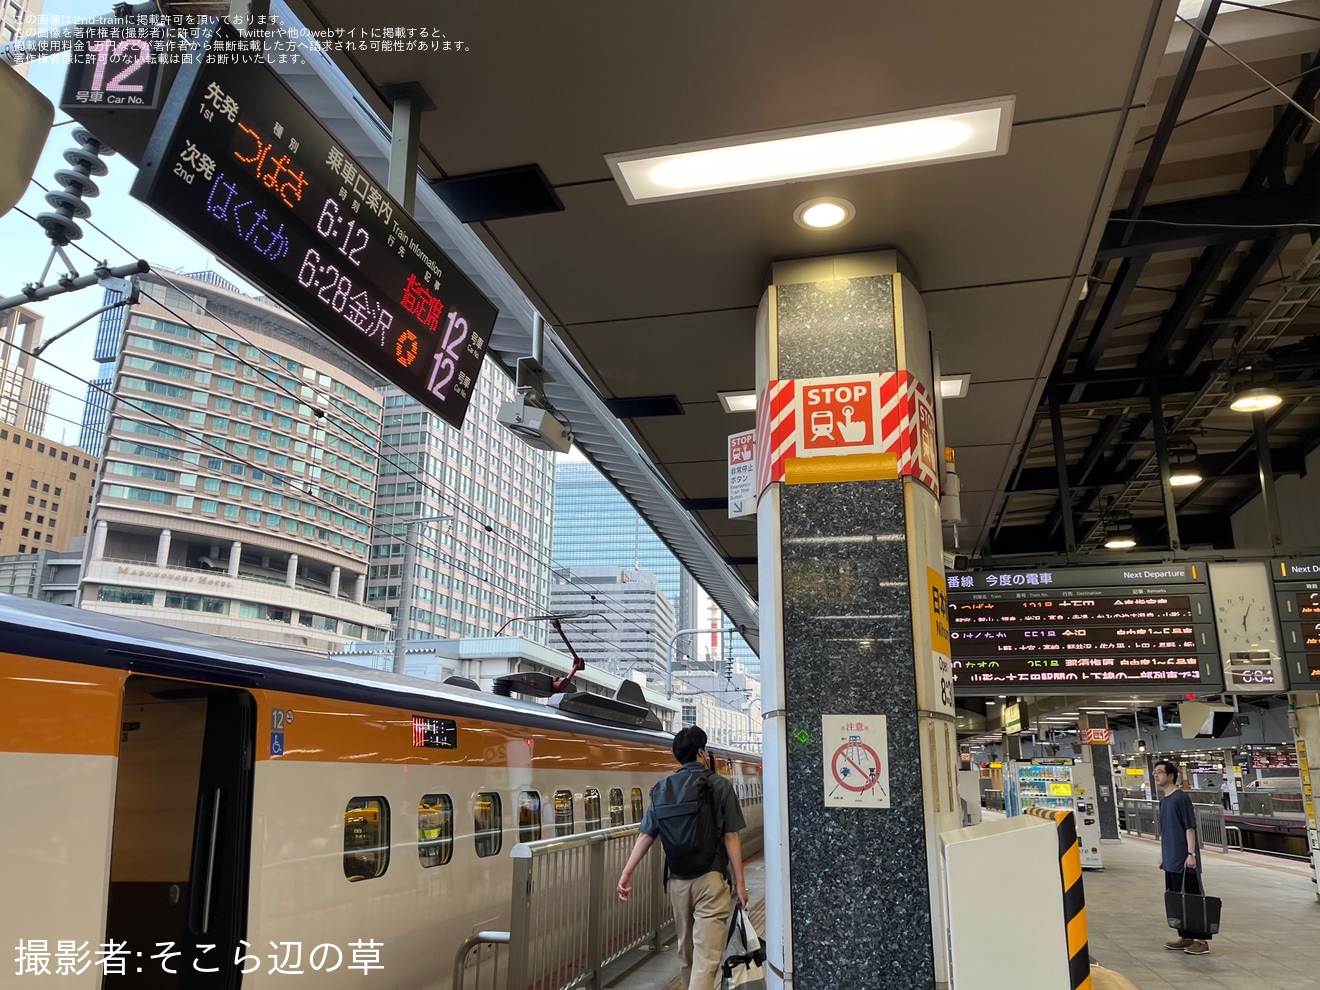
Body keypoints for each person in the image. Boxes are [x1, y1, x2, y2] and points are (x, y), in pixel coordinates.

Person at [617, 726, 748, 990]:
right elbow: (731, 837)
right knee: (706, 958)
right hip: (711, 879)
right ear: (701, 752)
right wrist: (741, 884)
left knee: (686, 954)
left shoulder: (663, 788)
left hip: (676, 881)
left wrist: (626, 872)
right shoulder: (720, 785)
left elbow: (646, 835)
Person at [1154, 760, 1212, 956]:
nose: (1156, 775)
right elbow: (1165, 831)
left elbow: (1189, 828)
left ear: (1171, 776)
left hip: (1185, 859)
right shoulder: (1164, 800)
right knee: (1176, 898)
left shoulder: (1181, 798)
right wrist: (1163, 855)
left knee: (1193, 899)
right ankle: (1185, 936)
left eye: (1160, 772)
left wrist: (1191, 854)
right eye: (1155, 772)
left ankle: (1202, 941)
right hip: (1170, 859)